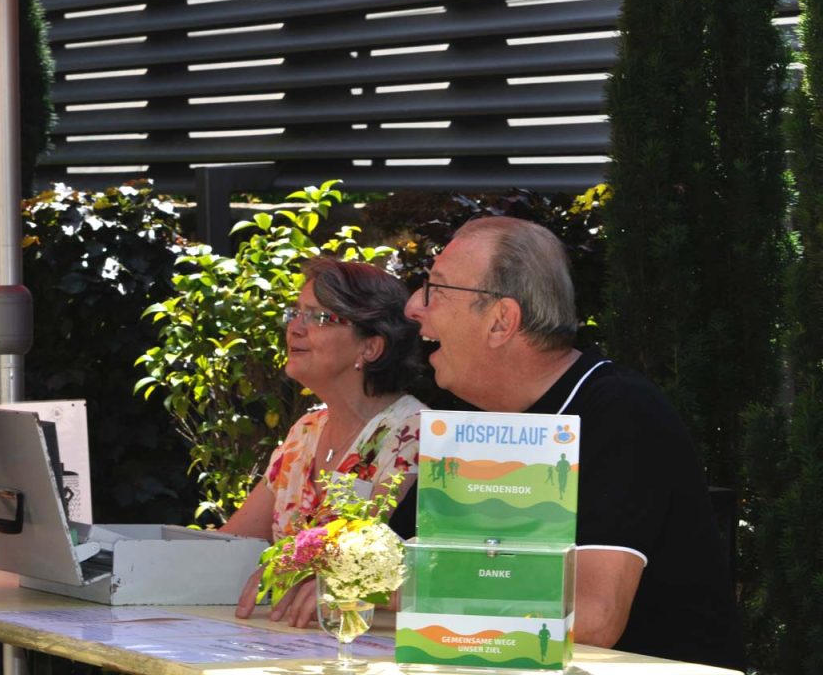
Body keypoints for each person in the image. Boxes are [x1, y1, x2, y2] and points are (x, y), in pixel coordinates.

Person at [403, 216, 745, 671]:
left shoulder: (621, 411)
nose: (412, 307)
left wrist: (415, 586)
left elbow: (591, 618)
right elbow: (390, 560)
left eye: (437, 289)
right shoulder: (467, 418)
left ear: (502, 321)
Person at [227, 257, 425, 628]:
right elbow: (229, 545)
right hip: (284, 643)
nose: (294, 328)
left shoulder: (415, 435)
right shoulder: (306, 431)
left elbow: (364, 564)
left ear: (370, 348)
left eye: (317, 317)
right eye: (295, 312)